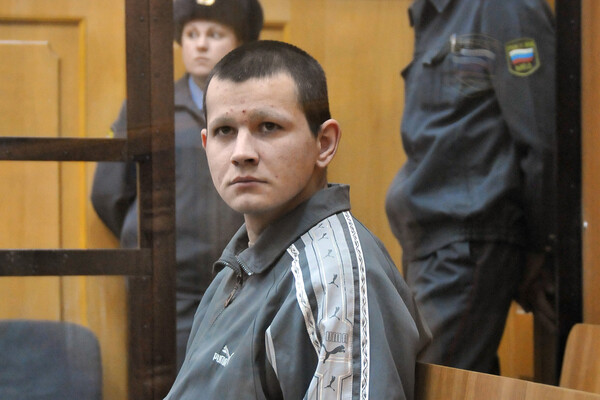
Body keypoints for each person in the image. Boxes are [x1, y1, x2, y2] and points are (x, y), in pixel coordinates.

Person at [164, 40, 431, 400]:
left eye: (268, 126)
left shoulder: (337, 277)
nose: (241, 153)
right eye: (224, 131)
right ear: (205, 143)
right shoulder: (235, 267)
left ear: (324, 143)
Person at [385, 0, 556, 374]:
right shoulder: (433, 11)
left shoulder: (504, 7)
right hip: (430, 240)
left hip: (466, 242)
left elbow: (542, 140)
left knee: (432, 387)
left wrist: (540, 247)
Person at [90, 0, 263, 370]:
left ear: (240, 41)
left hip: (244, 279)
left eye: (214, 34)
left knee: (236, 380)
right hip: (164, 285)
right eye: (191, 34)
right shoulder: (148, 107)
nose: (200, 44)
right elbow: (109, 194)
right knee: (162, 379)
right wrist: (148, 232)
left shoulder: (262, 108)